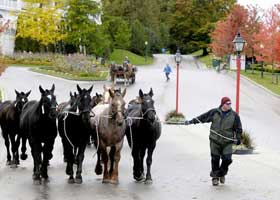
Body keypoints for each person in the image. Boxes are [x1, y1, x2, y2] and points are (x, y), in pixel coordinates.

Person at [185, 97, 242, 186]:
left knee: (227, 159)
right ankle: (215, 178)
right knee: (215, 159)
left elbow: (238, 128)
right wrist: (191, 121)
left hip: (227, 142)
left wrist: (238, 138)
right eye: (227, 104)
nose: (229, 105)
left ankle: (222, 173)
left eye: (230, 104)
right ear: (223, 104)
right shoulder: (214, 112)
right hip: (214, 140)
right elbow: (203, 117)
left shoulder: (234, 115)